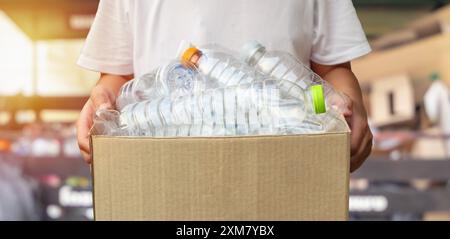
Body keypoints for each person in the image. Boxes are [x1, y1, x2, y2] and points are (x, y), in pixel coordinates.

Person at [77, 0, 373, 172]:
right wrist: (102, 106)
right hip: (166, 169)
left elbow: (332, 70)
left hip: (285, 166)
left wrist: (349, 106)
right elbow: (116, 77)